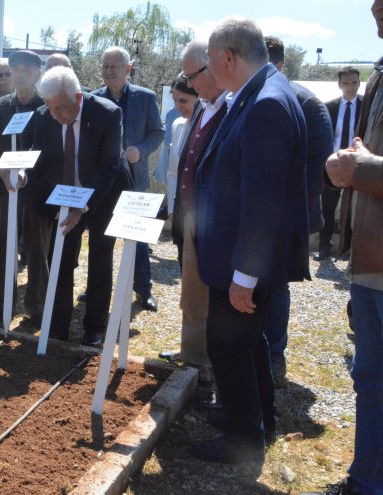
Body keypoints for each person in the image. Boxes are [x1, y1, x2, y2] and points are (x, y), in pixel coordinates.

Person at [191, 17, 309, 465]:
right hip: (237, 255)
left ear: (227, 57)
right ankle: (259, 419)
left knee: (230, 347)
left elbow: (263, 202)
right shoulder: (262, 92)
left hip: (244, 261)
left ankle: (244, 441)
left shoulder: (266, 103)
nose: (208, 73)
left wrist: (244, 274)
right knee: (249, 344)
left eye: (210, 63)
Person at [319, 4, 383, 493]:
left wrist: (363, 168)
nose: (374, 9)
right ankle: (365, 479)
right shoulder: (380, 77)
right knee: (369, 379)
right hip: (369, 260)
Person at [25, 66, 131, 344]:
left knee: (100, 257)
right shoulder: (43, 116)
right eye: (51, 109)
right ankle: (58, 327)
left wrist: (81, 206)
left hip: (103, 195)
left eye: (62, 108)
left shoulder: (107, 113)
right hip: (64, 195)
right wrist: (23, 173)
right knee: (59, 258)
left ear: (79, 97)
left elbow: (109, 167)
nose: (57, 116)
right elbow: (39, 158)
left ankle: (93, 327)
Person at [263, 36, 333, 387]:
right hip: (260, 215)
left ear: (277, 65)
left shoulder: (306, 102)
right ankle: (257, 354)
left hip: (290, 218)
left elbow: (318, 166)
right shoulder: (252, 98)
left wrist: (288, 216)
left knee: (275, 286)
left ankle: (274, 358)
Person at [160, 40, 228, 387]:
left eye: (193, 77)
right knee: (192, 294)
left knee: (212, 299)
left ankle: (205, 365)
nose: (191, 85)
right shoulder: (203, 110)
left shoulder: (229, 108)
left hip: (216, 224)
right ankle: (193, 358)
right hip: (192, 218)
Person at [91, 46, 164, 312]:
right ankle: (96, 290)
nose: (109, 71)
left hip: (134, 181)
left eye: (115, 67)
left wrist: (140, 150)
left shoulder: (145, 98)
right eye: (105, 66)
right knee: (101, 239)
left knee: (138, 241)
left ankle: (143, 290)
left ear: (128, 69)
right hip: (104, 184)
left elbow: (158, 133)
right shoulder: (93, 99)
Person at [0, 50, 48, 327]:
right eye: (14, 68)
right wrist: (3, 171)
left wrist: (27, 172)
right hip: (4, 192)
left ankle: (37, 307)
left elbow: (52, 150)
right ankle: (3, 303)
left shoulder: (47, 106)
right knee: (4, 250)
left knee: (36, 250)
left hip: (36, 192)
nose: (19, 74)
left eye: (26, 69)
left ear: (38, 72)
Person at [320, 66, 362, 260]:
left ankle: (352, 250)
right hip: (334, 166)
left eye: (354, 82)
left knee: (356, 210)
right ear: (339, 84)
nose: (350, 87)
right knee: (327, 208)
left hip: (359, 166)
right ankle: (324, 248)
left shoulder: (367, 107)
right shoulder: (329, 107)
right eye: (346, 83)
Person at [161, 76, 198, 216]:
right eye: (175, 100)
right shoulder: (177, 124)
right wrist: (171, 209)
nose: (177, 106)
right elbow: (172, 173)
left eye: (183, 101)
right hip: (180, 209)